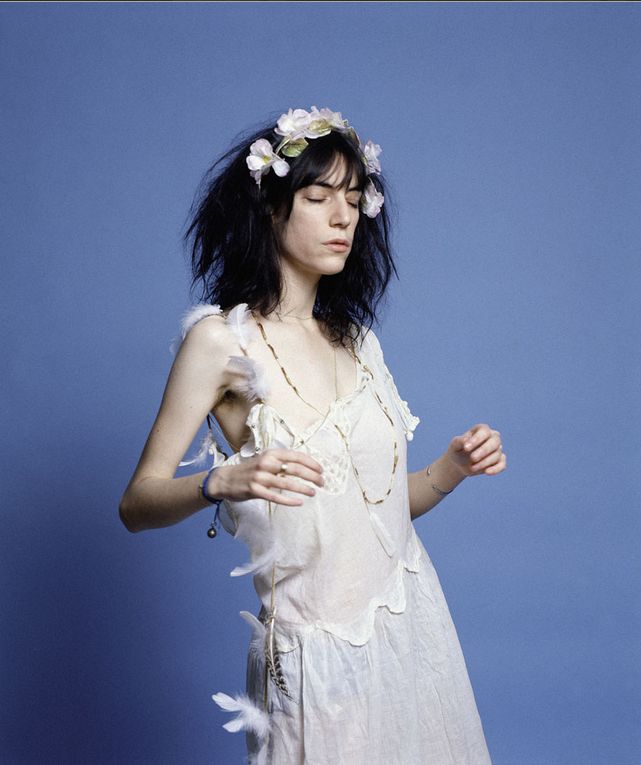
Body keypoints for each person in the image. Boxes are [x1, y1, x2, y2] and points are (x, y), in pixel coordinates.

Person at [119, 106, 506, 764]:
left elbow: (375, 509)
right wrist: (218, 479)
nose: (342, 216)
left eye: (354, 199)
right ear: (269, 207)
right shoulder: (219, 342)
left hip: (411, 630)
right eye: (318, 196)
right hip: (313, 657)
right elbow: (136, 503)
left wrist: (447, 469)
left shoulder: (356, 342)